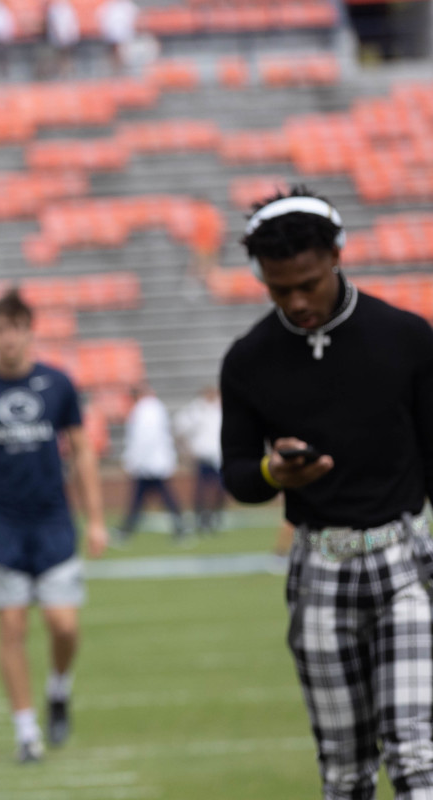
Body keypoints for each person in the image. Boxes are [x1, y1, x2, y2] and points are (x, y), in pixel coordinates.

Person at [221, 186, 433, 799]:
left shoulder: (407, 338)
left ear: (337, 255)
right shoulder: (248, 361)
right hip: (319, 567)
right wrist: (272, 475)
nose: (297, 301)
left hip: (406, 563)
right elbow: (237, 474)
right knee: (343, 769)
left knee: (417, 752)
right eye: (278, 288)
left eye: (308, 283)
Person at [0, 289, 108, 763]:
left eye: (16, 328)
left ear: (29, 331)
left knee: (63, 624)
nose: (8, 338)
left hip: (54, 520)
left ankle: (58, 687)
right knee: (12, 627)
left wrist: (96, 519)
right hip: (1, 525)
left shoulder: (59, 385)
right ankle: (26, 732)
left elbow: (82, 453)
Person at [117, 383, 185, 541]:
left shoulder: (146, 409)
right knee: (144, 499)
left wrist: (133, 461)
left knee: (149, 498)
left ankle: (127, 530)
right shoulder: (153, 408)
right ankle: (127, 529)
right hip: (153, 463)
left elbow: (144, 439)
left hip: (149, 464)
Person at [174, 386, 224, 534]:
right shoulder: (195, 410)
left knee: (220, 490)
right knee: (201, 491)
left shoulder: (220, 408)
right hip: (204, 457)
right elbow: (179, 428)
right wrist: (187, 450)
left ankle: (214, 517)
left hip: (219, 457)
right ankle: (201, 518)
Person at [97, 0, 138, 73]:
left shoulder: (127, 5)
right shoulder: (109, 5)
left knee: (124, 54)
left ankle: (124, 71)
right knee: (114, 55)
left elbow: (135, 18)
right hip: (112, 35)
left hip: (125, 36)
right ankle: (115, 71)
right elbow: (101, 17)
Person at [42, 0, 79, 78]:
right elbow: (53, 24)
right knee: (60, 56)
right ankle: (61, 73)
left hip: (66, 37)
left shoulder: (67, 7)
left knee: (66, 56)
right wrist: (58, 36)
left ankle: (67, 73)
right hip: (58, 38)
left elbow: (71, 23)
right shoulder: (55, 9)